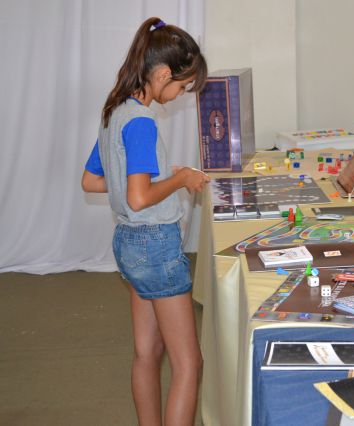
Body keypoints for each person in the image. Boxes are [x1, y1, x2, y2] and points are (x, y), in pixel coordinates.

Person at [81, 17, 209, 426]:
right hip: (155, 245)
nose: (179, 95)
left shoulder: (114, 112)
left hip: (129, 244)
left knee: (147, 352)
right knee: (189, 363)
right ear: (163, 74)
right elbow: (138, 198)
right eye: (182, 86)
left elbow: (93, 181)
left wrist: (161, 176)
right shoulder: (142, 121)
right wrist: (181, 180)